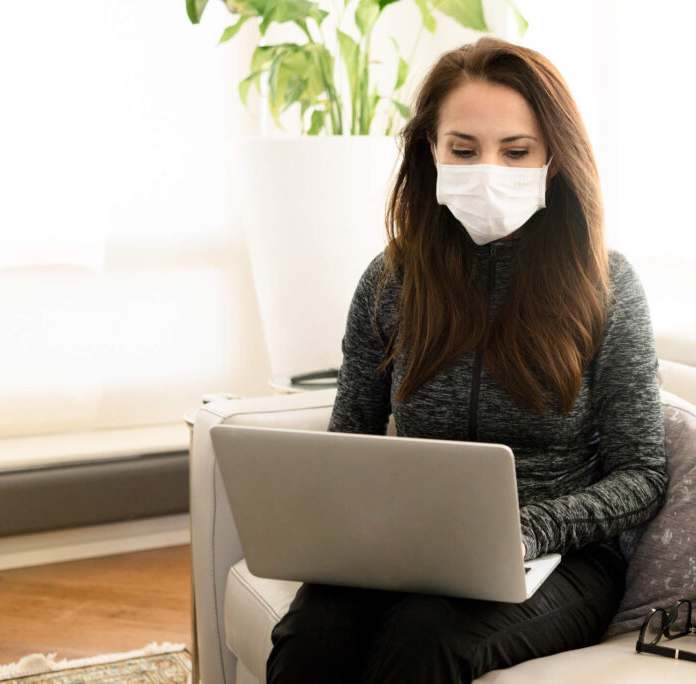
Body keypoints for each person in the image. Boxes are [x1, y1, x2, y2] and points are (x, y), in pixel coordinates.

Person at [266, 36, 668, 683]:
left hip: (561, 559)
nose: (490, 169)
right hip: (407, 547)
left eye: (516, 151)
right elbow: (348, 447)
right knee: (314, 632)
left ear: (554, 157)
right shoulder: (391, 280)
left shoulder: (607, 286)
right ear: (430, 151)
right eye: (463, 149)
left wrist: (526, 531)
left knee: (425, 638)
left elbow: (643, 473)